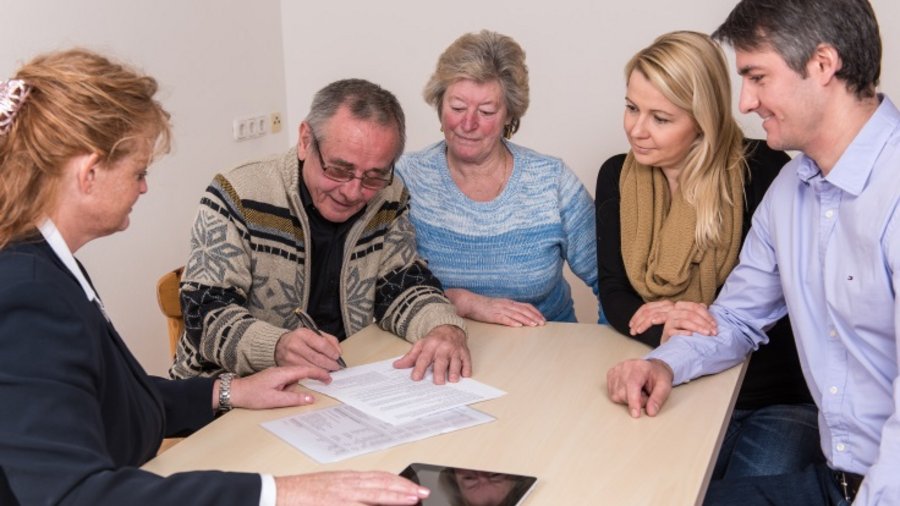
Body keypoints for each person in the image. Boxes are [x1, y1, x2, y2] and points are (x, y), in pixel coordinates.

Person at [0, 49, 431, 506]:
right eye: (139, 172)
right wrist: (278, 493)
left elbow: (113, 400)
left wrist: (227, 391)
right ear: (89, 174)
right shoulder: (28, 293)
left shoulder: (38, 262)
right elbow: (76, 496)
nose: (144, 188)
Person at [606, 0, 899, 504]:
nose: (743, 103)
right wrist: (665, 364)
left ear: (823, 65)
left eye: (758, 77)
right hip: (838, 483)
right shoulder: (791, 190)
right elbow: (738, 319)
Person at [595, 31, 820, 480]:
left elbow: (777, 308)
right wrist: (666, 325)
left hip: (769, 398)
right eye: (631, 107)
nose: (636, 129)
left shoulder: (765, 170)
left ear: (703, 120)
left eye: (660, 117)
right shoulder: (615, 176)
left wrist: (694, 319)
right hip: (674, 380)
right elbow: (616, 294)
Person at [170, 79, 470, 385]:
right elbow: (205, 315)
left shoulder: (389, 194)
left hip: (335, 381)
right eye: (339, 170)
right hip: (227, 390)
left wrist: (443, 328)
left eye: (373, 176)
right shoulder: (239, 194)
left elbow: (401, 285)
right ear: (305, 141)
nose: (353, 191)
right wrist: (277, 346)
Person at [396, 30, 601, 327]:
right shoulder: (406, 178)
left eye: (486, 111)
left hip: (545, 347)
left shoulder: (552, 181)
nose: (468, 123)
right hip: (441, 345)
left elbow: (609, 282)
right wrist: (462, 301)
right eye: (457, 107)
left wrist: (614, 354)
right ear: (439, 105)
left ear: (509, 115)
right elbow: (381, 281)